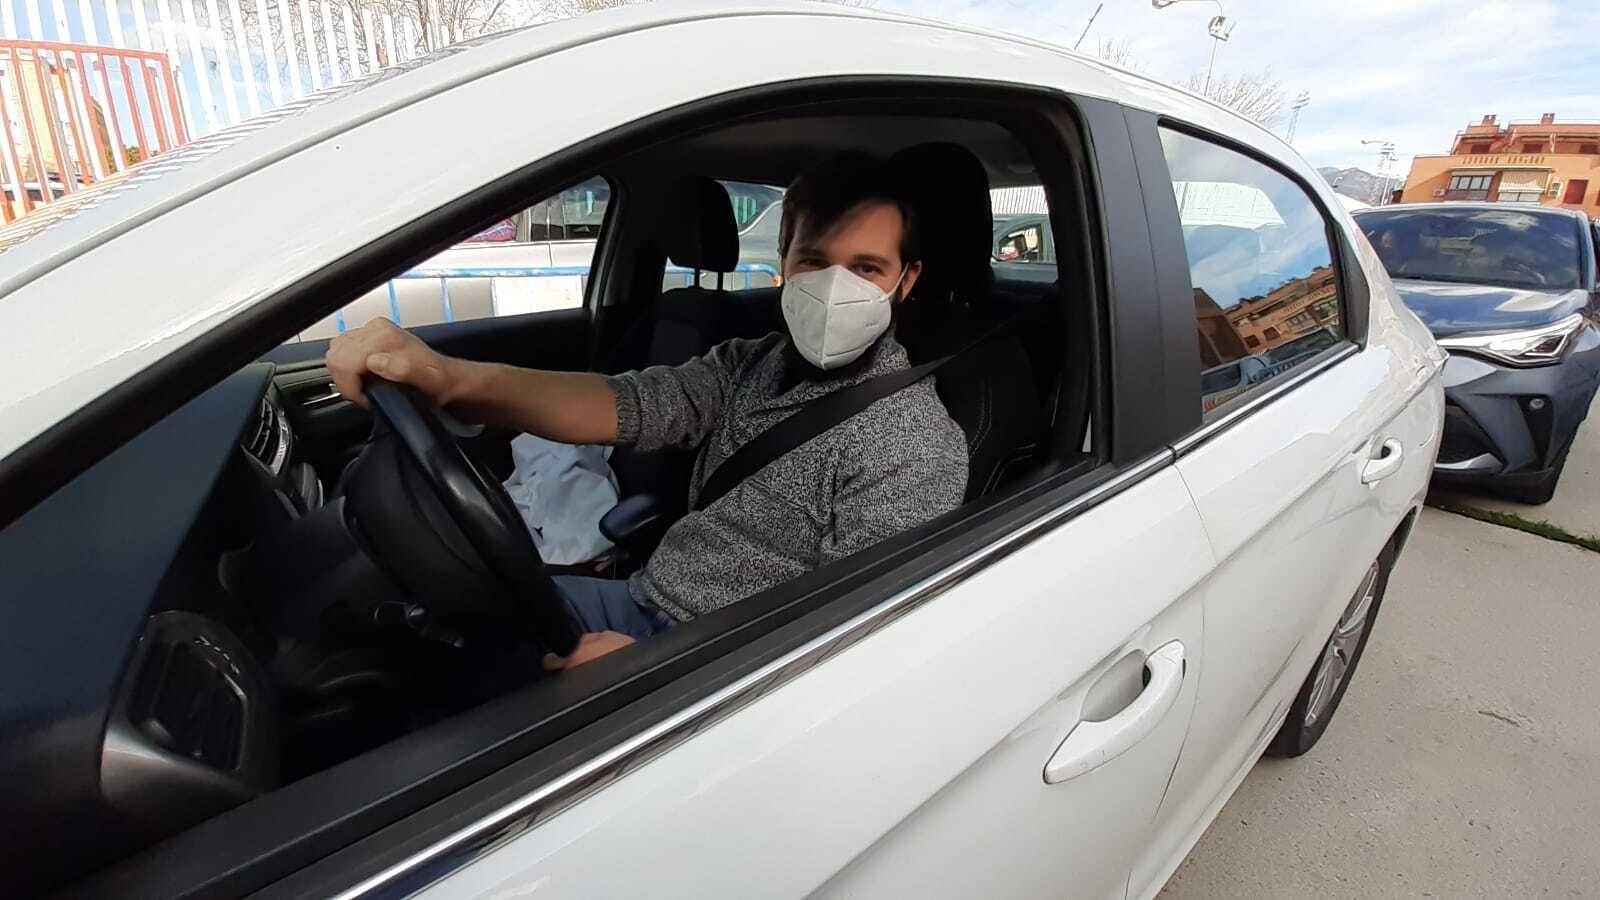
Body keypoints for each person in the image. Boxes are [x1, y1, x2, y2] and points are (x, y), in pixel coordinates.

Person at [326, 152, 968, 669]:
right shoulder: (753, 362)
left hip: (707, 667)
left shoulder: (913, 442)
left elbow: (847, 641)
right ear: (782, 263)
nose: (835, 288)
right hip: (642, 601)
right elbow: (619, 404)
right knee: (397, 620)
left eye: (866, 268)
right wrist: (447, 377)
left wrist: (656, 667)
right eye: (814, 261)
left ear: (904, 281)